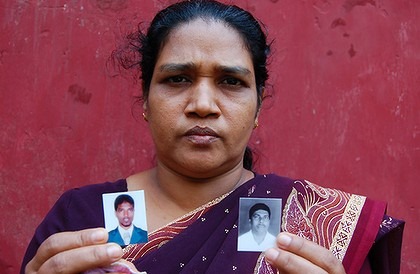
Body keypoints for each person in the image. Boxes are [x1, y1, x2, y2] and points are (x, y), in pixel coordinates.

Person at [21, 0, 404, 273]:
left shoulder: (320, 225)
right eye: (178, 79)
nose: (203, 104)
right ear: (145, 101)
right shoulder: (80, 218)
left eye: (231, 82)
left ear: (257, 108)